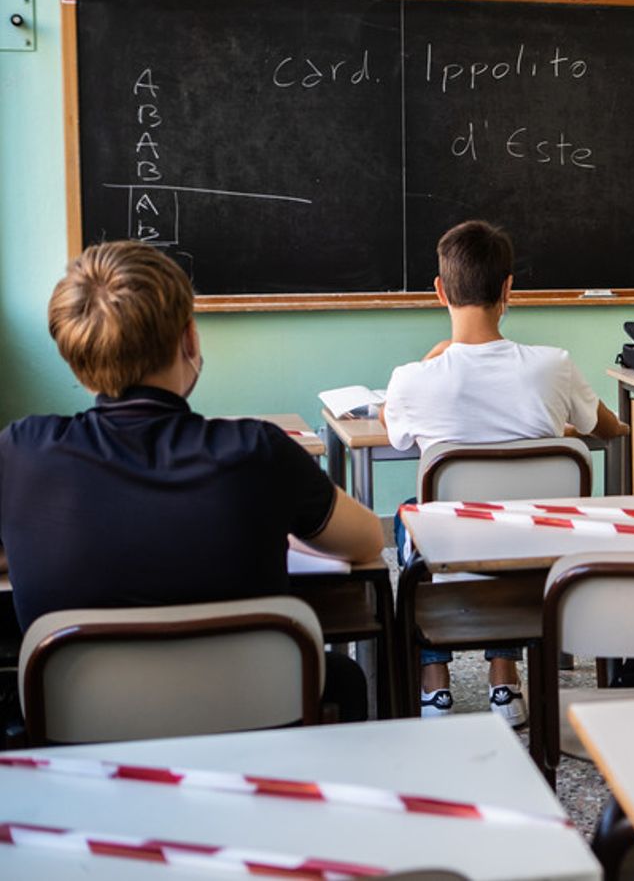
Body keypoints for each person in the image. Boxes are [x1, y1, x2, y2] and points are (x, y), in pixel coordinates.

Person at [0, 241, 383, 719]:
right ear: (190, 340)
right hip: (252, 726)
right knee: (343, 678)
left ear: (77, 353)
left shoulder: (21, 453)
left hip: (81, 741)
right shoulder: (257, 451)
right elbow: (367, 540)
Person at [381, 219, 628, 723]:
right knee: (512, 520)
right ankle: (504, 683)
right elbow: (607, 429)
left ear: (440, 290)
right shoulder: (551, 366)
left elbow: (394, 431)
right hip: (532, 551)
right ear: (509, 288)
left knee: (410, 515)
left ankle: (434, 687)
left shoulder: (413, 381)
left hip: (448, 551)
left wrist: (435, 355)